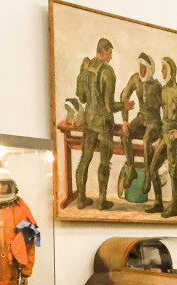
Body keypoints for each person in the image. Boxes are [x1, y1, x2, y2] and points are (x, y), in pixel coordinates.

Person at [74, 38, 134, 210]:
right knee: (104, 162)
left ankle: (81, 199)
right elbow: (109, 106)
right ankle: (102, 201)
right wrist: (125, 105)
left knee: (84, 160)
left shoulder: (85, 67)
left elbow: (81, 96)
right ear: (104, 51)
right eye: (110, 53)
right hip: (104, 124)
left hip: (89, 121)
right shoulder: (108, 72)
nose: (111, 57)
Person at [147, 57, 177, 218]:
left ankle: (174, 206)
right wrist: (159, 137)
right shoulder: (164, 90)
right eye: (162, 68)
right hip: (164, 135)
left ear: (171, 71)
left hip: (173, 137)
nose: (162, 72)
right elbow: (163, 118)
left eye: (164, 69)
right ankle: (159, 203)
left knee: (173, 172)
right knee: (152, 169)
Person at [118, 53, 163, 202]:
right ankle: (131, 169)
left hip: (154, 121)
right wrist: (125, 121)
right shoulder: (135, 80)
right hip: (141, 118)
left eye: (144, 68)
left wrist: (162, 134)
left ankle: (148, 177)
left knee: (146, 141)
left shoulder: (156, 86)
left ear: (150, 69)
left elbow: (167, 109)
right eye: (140, 67)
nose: (141, 70)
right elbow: (124, 96)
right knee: (124, 133)